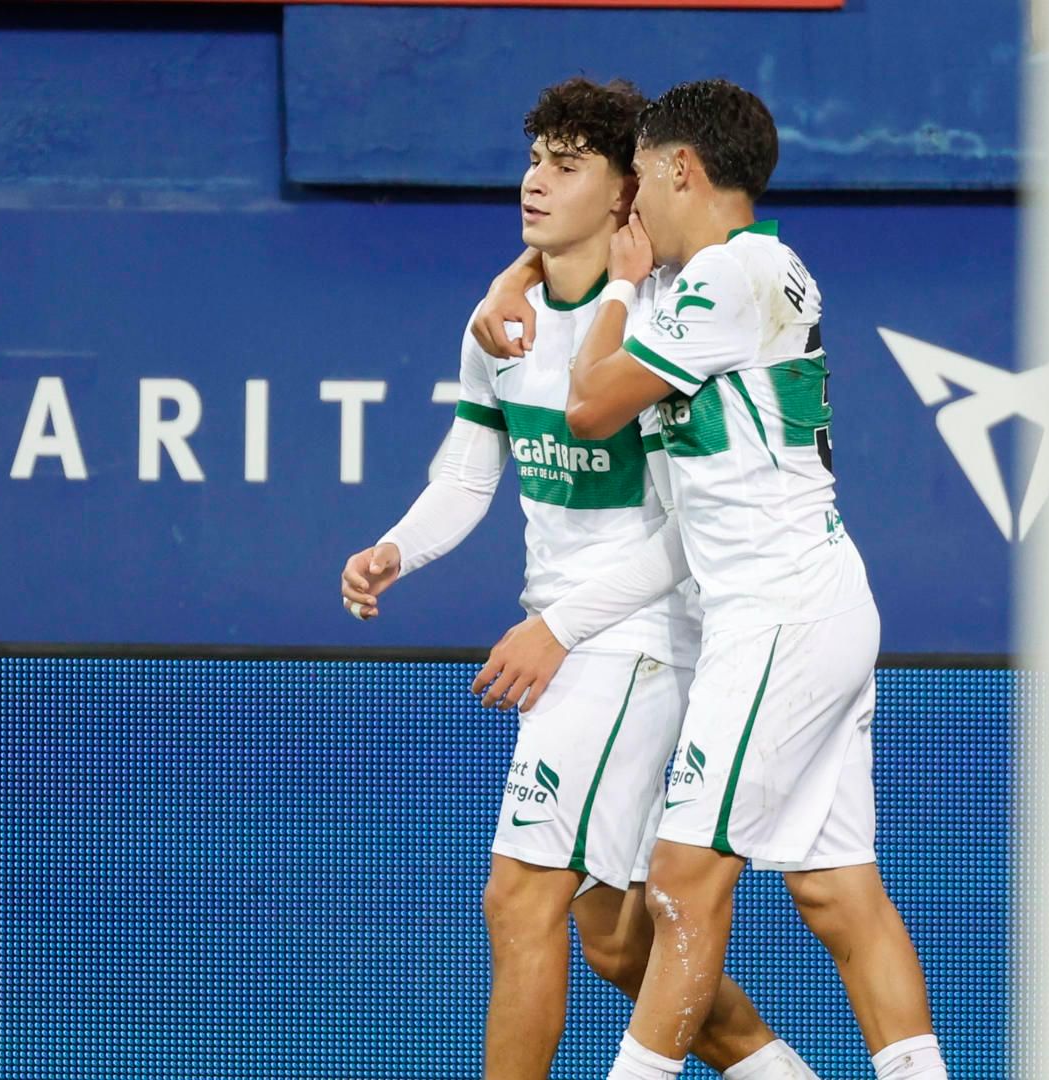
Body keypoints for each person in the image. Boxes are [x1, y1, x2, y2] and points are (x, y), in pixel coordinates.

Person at [337, 76, 818, 1080]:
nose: (536, 182)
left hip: (640, 643)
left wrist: (560, 624)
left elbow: (693, 528)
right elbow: (470, 471)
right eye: (533, 159)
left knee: (519, 897)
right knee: (613, 936)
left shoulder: (659, 324)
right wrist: (396, 547)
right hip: (572, 642)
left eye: (569, 164)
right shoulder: (499, 324)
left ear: (625, 195)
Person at [485, 77, 950, 1080]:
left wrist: (613, 286)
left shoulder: (723, 278)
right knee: (837, 892)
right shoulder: (736, 271)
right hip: (805, 599)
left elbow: (588, 406)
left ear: (681, 170)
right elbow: (680, 531)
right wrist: (514, 278)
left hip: (777, 615)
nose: (630, 207)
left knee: (683, 881)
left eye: (640, 179)